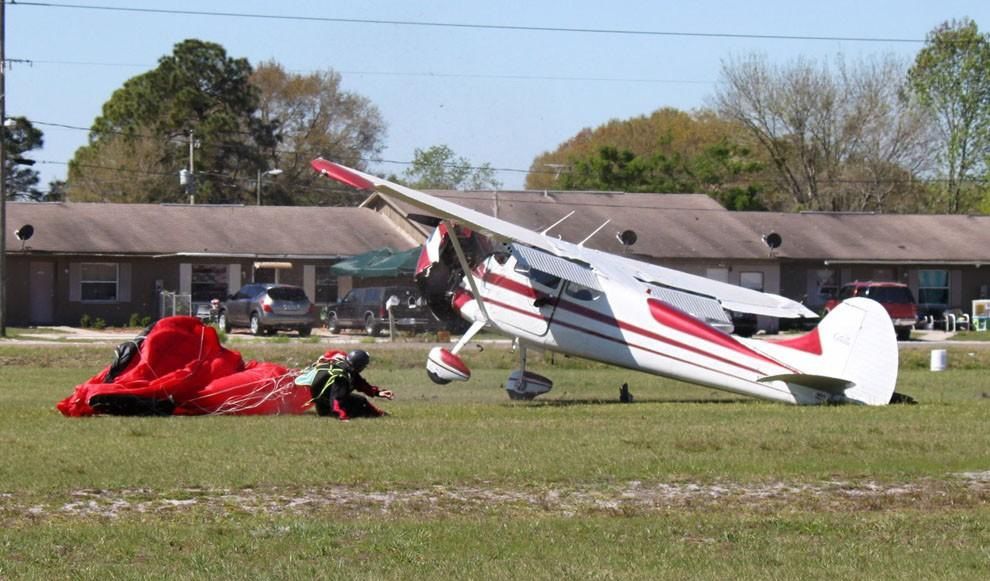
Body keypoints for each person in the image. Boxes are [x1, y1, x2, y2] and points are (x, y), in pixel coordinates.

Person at [307, 349, 393, 421]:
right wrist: (343, 417)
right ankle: (378, 414)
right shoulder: (342, 376)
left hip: (324, 402)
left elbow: (361, 384)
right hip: (326, 407)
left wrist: (378, 393)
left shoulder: (346, 368)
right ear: (359, 365)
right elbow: (336, 399)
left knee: (360, 400)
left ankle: (379, 414)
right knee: (360, 402)